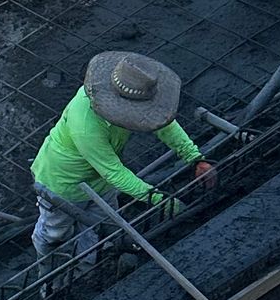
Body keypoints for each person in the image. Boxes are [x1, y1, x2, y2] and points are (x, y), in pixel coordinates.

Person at [31, 51, 213, 264]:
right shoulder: (86, 125)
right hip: (62, 185)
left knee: (102, 230)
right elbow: (114, 172)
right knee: (54, 233)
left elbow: (163, 123)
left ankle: (86, 269)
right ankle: (45, 268)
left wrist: (195, 158)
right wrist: (159, 200)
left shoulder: (132, 93)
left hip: (100, 182)